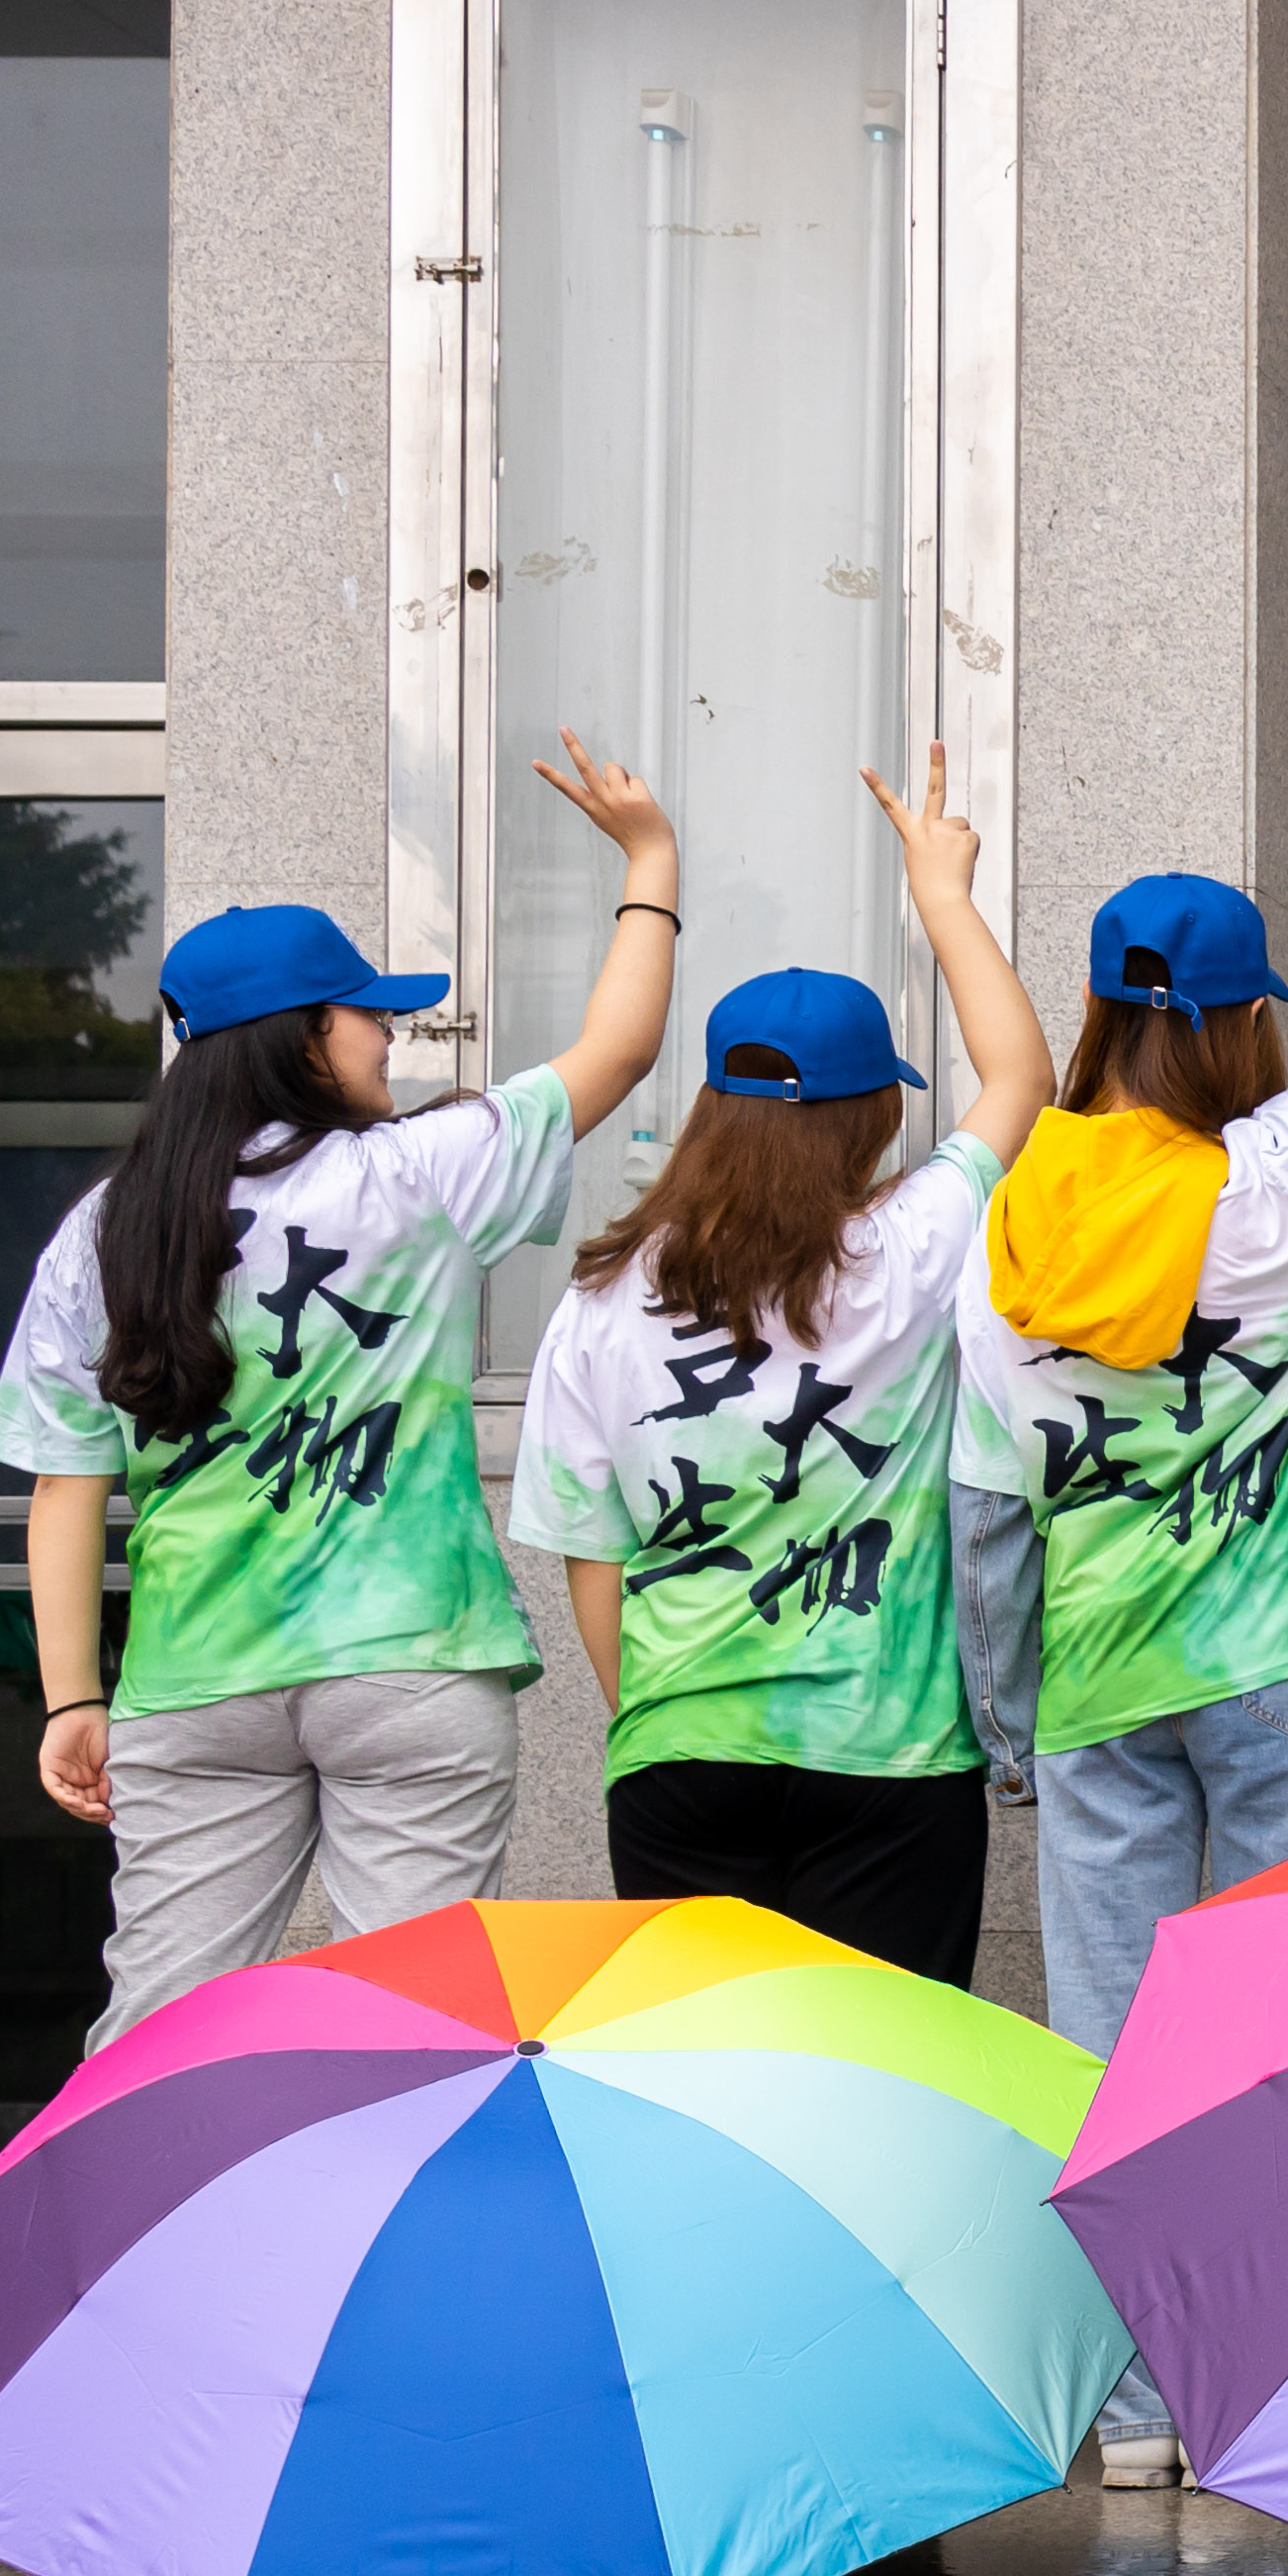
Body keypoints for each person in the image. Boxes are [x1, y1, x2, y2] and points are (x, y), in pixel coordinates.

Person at [954, 603, 1288, 2490]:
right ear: (1243, 1020)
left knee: (1115, 2053)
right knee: (1279, 2037)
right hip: (1284, 1665)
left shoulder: (1013, 1225)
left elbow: (986, 1516)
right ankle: (1263, 2382)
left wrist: (1012, 1719)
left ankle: (1143, 2407)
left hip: (1099, 1684)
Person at [0, 735, 684, 2048]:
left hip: (196, 1678)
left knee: (157, 2032)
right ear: (302, 1036)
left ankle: (130, 2191)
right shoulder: (418, 1170)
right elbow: (619, 1047)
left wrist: (72, 1694)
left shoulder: (106, 1227)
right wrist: (649, 862)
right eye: (367, 1011)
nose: (391, 1030)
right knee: (416, 2034)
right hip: (411, 1664)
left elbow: (65, 1482)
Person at [510, 747, 1055, 1983]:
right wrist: (941, 891)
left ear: (712, 1105)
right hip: (890, 1754)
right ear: (873, 1114)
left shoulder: (604, 1292)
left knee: (702, 2072)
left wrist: (657, 1714)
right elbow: (1023, 1077)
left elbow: (591, 1554)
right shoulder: (912, 1244)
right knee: (885, 2070)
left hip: (679, 1751)